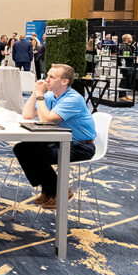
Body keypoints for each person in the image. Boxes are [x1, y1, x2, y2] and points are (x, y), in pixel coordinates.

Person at [13, 64, 98, 209]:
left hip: (81, 146)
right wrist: (35, 93)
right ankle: (51, 189)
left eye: (51, 77)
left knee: (39, 154)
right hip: (60, 140)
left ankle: (59, 190)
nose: (47, 80)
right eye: (47, 76)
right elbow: (27, 115)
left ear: (64, 81)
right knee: (21, 148)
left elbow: (46, 119)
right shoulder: (51, 95)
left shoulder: (73, 99)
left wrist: (40, 95)